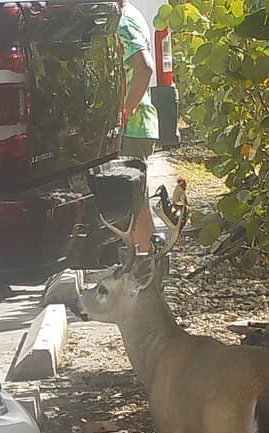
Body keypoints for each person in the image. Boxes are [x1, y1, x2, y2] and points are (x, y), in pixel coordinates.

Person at [117, 0, 160, 255]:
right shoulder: (130, 12)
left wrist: (125, 109)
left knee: (135, 204)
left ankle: (146, 266)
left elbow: (144, 68)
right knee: (134, 201)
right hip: (138, 126)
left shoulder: (123, 20)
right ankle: (144, 265)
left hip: (132, 128)